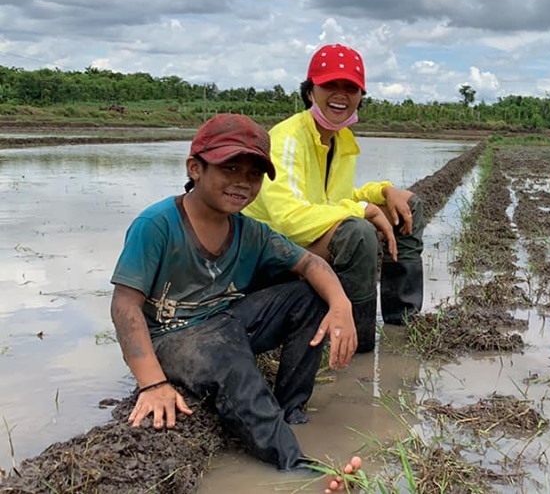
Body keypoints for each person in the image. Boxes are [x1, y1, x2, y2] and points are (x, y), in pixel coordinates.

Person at [110, 113, 362, 483]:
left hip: (227, 321)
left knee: (309, 296)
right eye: (230, 169)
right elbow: (124, 305)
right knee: (230, 363)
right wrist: (153, 384)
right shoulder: (158, 225)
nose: (242, 183)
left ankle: (291, 409)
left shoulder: (251, 231)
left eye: (254, 174)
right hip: (172, 336)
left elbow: (310, 264)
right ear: (195, 168)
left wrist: (342, 307)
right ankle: (296, 470)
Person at [244, 43, 424, 354]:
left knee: (408, 205)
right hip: (269, 252)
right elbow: (288, 219)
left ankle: (402, 322)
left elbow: (333, 199)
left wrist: (381, 192)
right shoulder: (288, 139)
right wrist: (362, 210)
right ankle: (356, 345)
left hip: (305, 239)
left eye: (350, 87)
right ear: (310, 91)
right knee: (358, 232)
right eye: (330, 85)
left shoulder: (340, 139)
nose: (341, 95)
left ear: (360, 97)